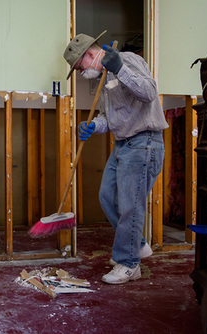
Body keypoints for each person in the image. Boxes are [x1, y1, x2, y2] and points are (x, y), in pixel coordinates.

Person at [63, 32, 168, 285]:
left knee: (131, 205)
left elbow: (149, 92)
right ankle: (137, 245)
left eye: (79, 68)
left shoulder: (127, 59)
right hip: (123, 145)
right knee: (107, 196)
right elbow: (109, 118)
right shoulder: (104, 80)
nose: (80, 73)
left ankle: (129, 263)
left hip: (144, 142)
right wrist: (93, 126)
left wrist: (120, 68)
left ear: (89, 54)